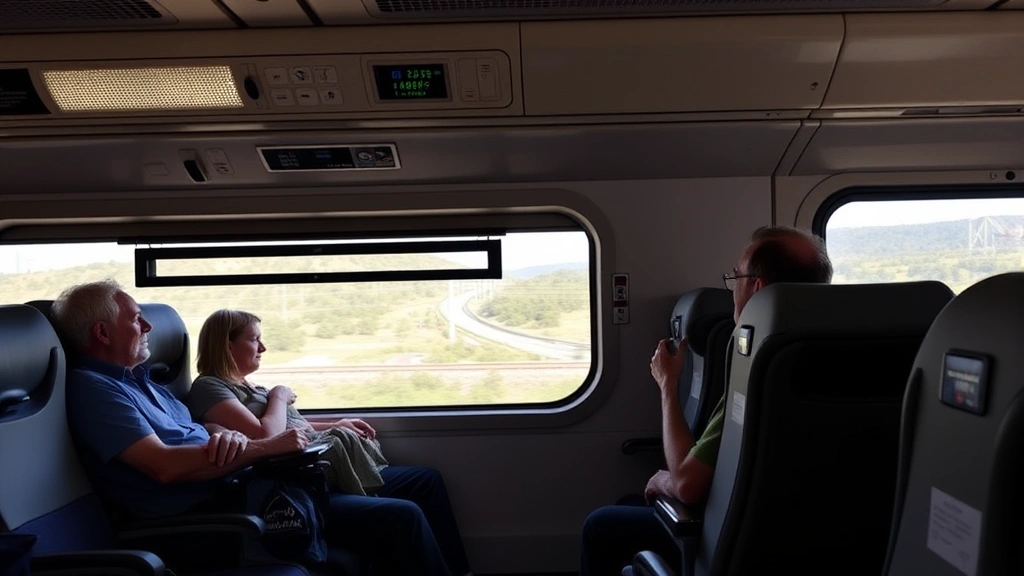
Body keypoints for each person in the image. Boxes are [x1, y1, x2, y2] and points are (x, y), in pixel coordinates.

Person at [54, 279, 453, 576]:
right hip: (214, 516)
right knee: (403, 517)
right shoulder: (95, 390)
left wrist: (223, 435)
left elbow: (199, 432)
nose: (149, 327)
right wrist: (264, 447)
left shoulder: (143, 382)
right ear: (103, 333)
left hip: (249, 488)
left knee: (414, 495)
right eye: (137, 319)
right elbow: (165, 466)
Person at [579, 226, 834, 575]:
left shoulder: (760, 372)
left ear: (757, 287)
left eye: (736, 276)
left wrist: (668, 384)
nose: (732, 288)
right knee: (629, 505)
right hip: (816, 543)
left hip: (730, 543)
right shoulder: (842, 359)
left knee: (600, 525)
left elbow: (687, 484)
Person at [185, 308, 471, 576]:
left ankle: (459, 571)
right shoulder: (210, 387)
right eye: (255, 339)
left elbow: (294, 428)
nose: (263, 348)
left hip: (319, 470)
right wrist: (279, 396)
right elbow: (267, 436)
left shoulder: (249, 386)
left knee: (426, 480)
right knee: (405, 514)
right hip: (299, 487)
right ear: (227, 345)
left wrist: (335, 425)